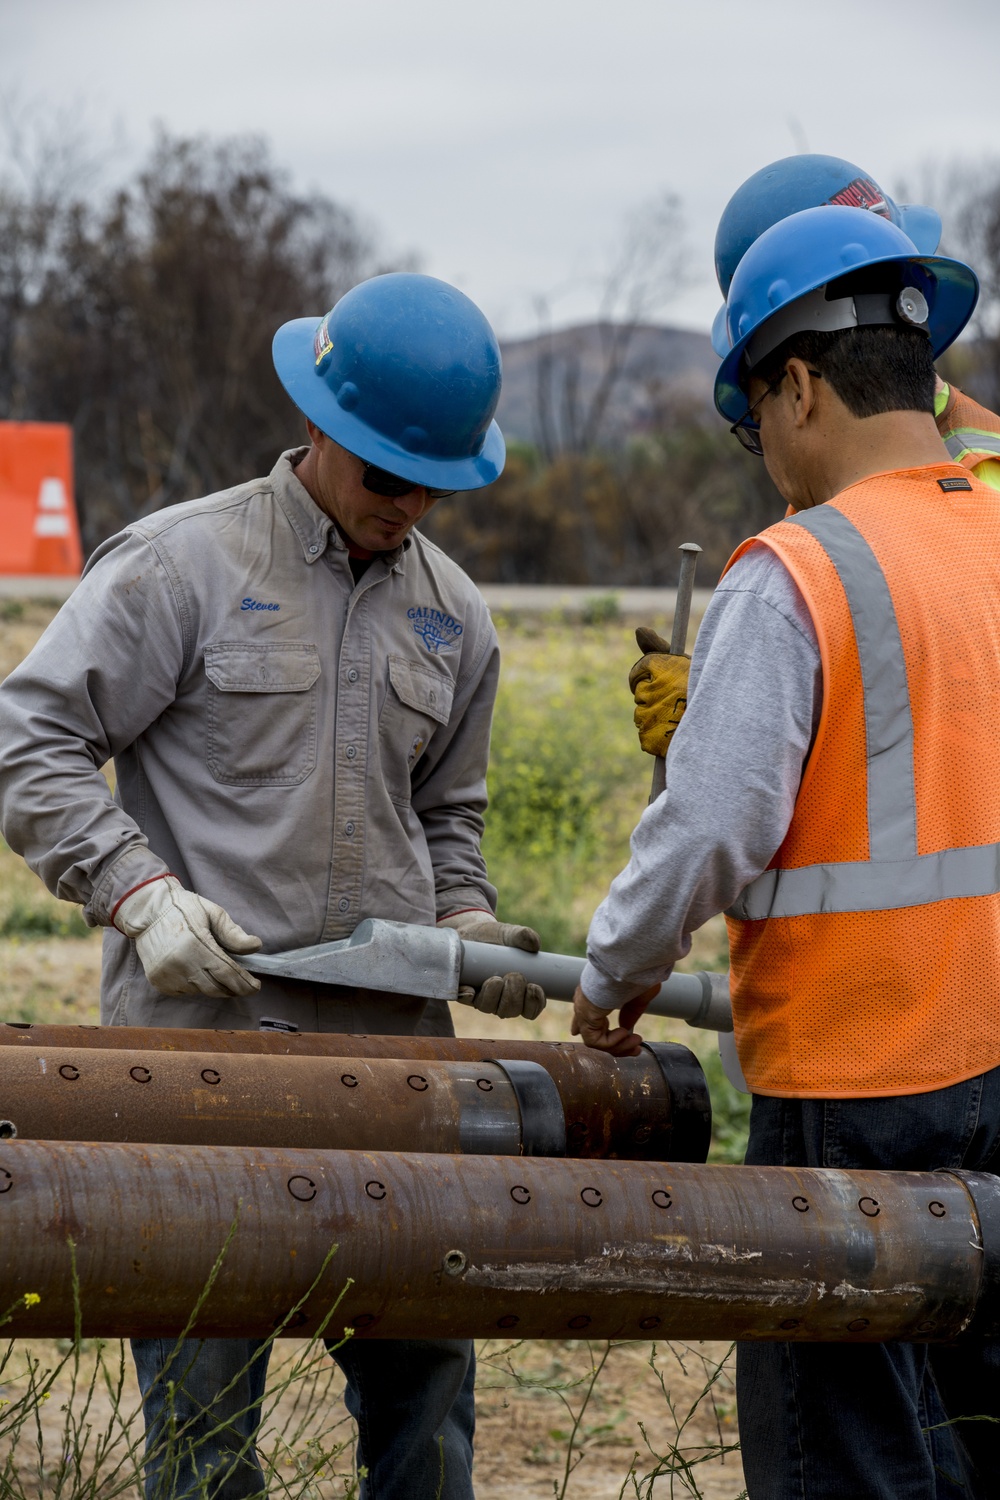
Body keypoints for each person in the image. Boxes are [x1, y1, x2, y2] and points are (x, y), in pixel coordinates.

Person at [0, 271, 544, 1499]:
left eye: (433, 487)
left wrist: (466, 925)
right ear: (322, 427)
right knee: (202, 1428)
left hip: (399, 1077)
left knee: (425, 1408)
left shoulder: (454, 618)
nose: (406, 509)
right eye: (385, 478)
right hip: (204, 1069)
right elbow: (27, 739)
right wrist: (138, 892)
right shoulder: (178, 567)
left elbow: (447, 816)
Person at [572, 205, 1000, 1497]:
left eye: (755, 420)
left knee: (845, 1454)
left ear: (800, 386)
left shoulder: (801, 567)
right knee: (973, 1440)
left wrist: (615, 970)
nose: (766, 453)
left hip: (856, 1089)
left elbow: (710, 822)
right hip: (993, 1060)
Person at [633, 153, 1000, 765]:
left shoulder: (979, 474)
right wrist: (732, 700)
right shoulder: (834, 468)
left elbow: (953, 704)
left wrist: (729, 728)